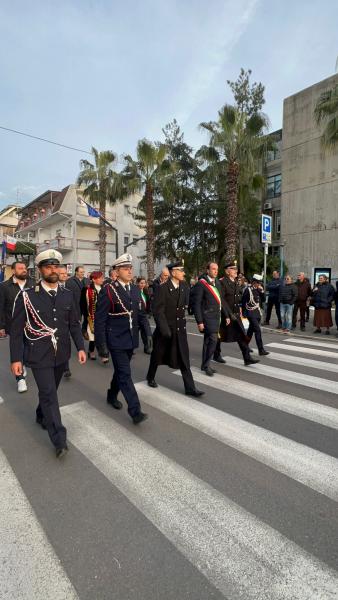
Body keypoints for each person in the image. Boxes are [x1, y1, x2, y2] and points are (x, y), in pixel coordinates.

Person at [10, 250, 86, 458]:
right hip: (38, 354)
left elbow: (73, 325)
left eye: (56, 266)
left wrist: (80, 347)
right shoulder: (27, 296)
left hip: (61, 353)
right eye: (48, 266)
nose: (53, 270)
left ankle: (40, 414)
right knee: (50, 394)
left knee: (49, 391)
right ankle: (59, 438)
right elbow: (16, 331)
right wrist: (16, 359)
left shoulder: (67, 294)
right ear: (40, 270)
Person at [95, 253, 150, 424]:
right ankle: (135, 411)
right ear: (116, 271)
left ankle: (112, 395)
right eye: (125, 268)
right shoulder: (108, 290)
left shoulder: (134, 289)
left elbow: (140, 315)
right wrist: (101, 344)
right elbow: (100, 319)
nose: (129, 271)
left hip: (131, 338)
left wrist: (147, 334)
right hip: (116, 339)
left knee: (120, 371)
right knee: (125, 373)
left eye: (130, 268)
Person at [146, 260, 204, 396]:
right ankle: (150, 376)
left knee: (184, 358)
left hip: (180, 329)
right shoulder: (162, 288)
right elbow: (158, 311)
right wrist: (164, 329)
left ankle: (190, 388)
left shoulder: (184, 286)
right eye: (181, 270)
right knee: (157, 355)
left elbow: (187, 303)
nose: (184, 273)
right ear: (173, 272)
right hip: (166, 330)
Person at [0, 261, 34, 393]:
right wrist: (1, 326)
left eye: (25, 268)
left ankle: (24, 363)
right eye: (20, 268)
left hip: (31, 325)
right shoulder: (4, 286)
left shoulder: (33, 284)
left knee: (28, 348)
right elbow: (1, 307)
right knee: (17, 349)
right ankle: (20, 379)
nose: (24, 270)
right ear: (13, 271)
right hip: (13, 325)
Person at [217, 262, 259, 366]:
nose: (236, 270)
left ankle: (247, 358)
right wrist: (228, 314)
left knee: (241, 335)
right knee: (219, 336)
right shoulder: (222, 282)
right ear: (227, 271)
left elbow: (238, 298)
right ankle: (216, 354)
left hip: (235, 315)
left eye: (236, 269)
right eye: (233, 269)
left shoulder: (236, 282)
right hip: (226, 315)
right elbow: (222, 300)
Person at [193, 262, 229, 376]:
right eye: (213, 269)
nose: (215, 271)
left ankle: (205, 365)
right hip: (207, 318)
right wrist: (200, 321)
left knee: (208, 342)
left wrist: (226, 315)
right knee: (213, 340)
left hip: (216, 317)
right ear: (207, 270)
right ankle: (207, 365)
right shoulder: (201, 283)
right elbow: (197, 304)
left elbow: (220, 301)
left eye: (217, 269)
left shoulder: (217, 282)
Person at [81, 271, 108, 362]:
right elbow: (83, 305)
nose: (102, 280)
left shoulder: (104, 289)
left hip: (103, 315)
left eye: (102, 278)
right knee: (93, 335)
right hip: (91, 315)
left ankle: (103, 354)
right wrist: (87, 317)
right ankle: (92, 351)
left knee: (102, 335)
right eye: (100, 278)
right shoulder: (86, 289)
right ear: (93, 279)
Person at [242, 274, 269, 356]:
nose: (259, 284)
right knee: (257, 330)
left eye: (260, 283)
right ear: (253, 282)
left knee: (250, 331)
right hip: (250, 313)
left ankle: (245, 346)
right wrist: (244, 313)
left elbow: (263, 300)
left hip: (257, 313)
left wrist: (262, 291)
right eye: (258, 282)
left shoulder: (258, 289)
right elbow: (243, 302)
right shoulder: (248, 290)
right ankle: (261, 349)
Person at [57, 264, 72, 378]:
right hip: (54, 321)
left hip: (67, 321)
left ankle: (66, 367)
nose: (64, 275)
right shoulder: (52, 287)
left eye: (66, 273)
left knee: (65, 344)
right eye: (62, 273)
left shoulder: (70, 286)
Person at [137, 277, 152, 354]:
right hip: (136, 316)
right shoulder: (135, 291)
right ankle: (131, 348)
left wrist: (149, 312)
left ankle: (147, 347)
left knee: (147, 331)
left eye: (144, 283)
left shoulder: (146, 291)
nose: (143, 285)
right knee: (135, 332)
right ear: (138, 283)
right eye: (141, 283)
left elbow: (148, 302)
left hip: (144, 315)